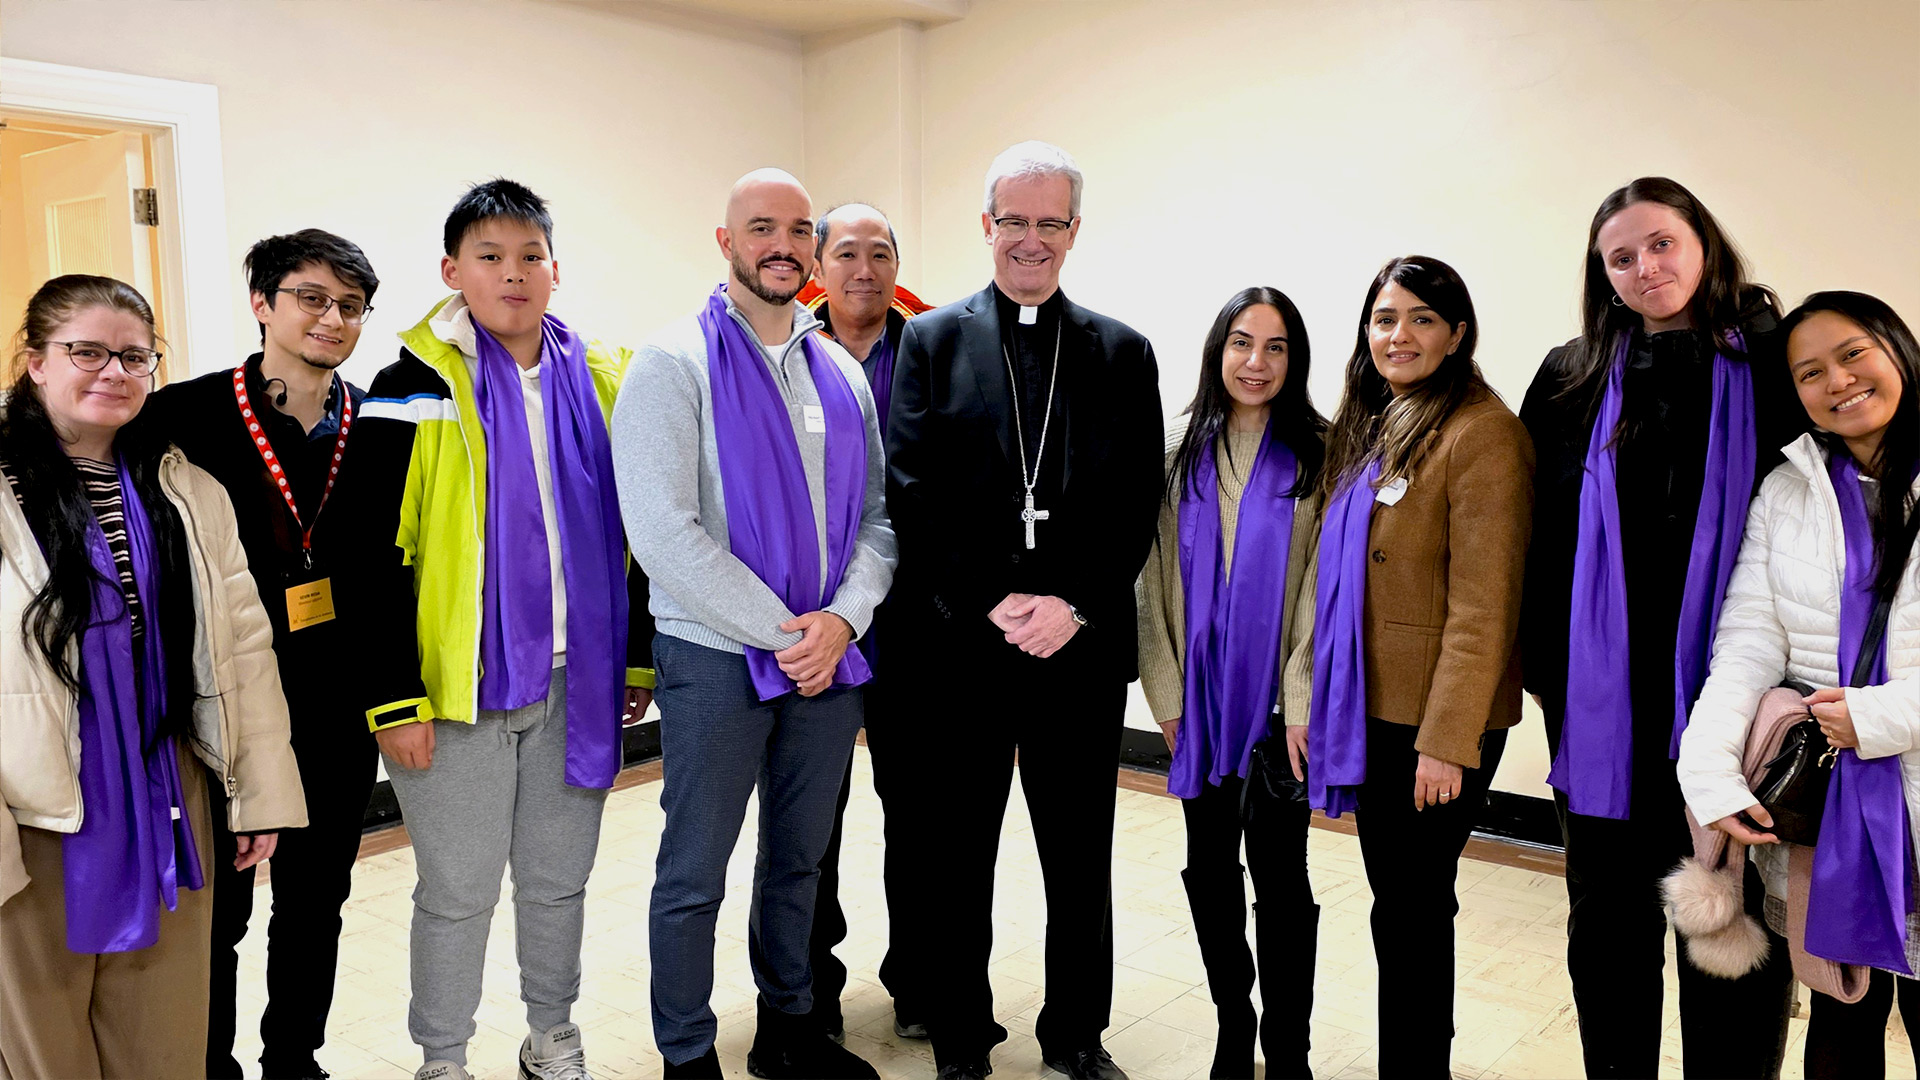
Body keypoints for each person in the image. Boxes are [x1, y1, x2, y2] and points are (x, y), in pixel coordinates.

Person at [349, 179, 654, 1080]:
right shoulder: (410, 390)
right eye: (489, 256)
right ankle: (443, 1058)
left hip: (577, 681)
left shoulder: (604, 380)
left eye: (530, 256)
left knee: (558, 882)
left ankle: (551, 1034)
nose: (512, 274)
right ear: (454, 271)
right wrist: (392, 700)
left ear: (556, 269)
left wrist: (635, 661)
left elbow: (641, 534)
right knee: (457, 891)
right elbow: (370, 558)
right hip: (456, 692)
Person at [885, 141, 1164, 1080]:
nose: (1031, 239)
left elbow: (1136, 501)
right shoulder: (930, 341)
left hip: (1076, 651)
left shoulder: (1122, 352)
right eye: (1015, 220)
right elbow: (911, 490)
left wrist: (1072, 605)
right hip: (965, 647)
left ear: (1074, 231)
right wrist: (993, 600)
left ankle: (1076, 1035)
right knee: (957, 855)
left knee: (1078, 858)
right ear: (987, 224)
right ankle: (961, 1036)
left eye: (1051, 222)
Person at [1519, 177, 1803, 1078]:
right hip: (1604, 697)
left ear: (1703, 243)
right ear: (1602, 275)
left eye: (1661, 243)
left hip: (1741, 690)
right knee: (1607, 919)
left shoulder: (1775, 362)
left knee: (1735, 919)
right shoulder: (1569, 375)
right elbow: (1533, 536)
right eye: (1621, 257)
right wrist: (1548, 672)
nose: (1645, 267)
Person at [613, 169, 892, 1080]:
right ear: (725, 241)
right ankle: (687, 1054)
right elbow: (662, 532)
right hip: (715, 660)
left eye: (799, 230)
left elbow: (879, 520)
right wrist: (791, 634)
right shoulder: (671, 363)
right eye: (761, 227)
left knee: (799, 863)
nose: (783, 245)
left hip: (827, 661)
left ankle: (789, 1030)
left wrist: (842, 621)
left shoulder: (840, 372)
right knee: (695, 873)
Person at [0, 274, 307, 1078]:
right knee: (43, 1054)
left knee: (164, 1045)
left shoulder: (187, 490)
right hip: (33, 810)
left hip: (171, 790)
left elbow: (244, 650)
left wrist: (259, 794)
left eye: (135, 357)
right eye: (87, 352)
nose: (115, 371)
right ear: (35, 361)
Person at [147, 228, 382, 1080]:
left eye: (350, 305)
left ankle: (294, 1059)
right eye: (311, 298)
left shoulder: (378, 421)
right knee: (221, 912)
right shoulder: (181, 415)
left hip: (336, 702)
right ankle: (210, 1064)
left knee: (318, 900)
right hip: (225, 698)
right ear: (262, 304)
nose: (332, 318)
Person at [1679, 291, 1920, 1080]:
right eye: (1810, 372)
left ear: (1897, 348)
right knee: (1840, 1018)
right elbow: (1748, 643)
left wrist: (1881, 715)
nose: (1838, 382)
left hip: (1912, 790)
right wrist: (1708, 770)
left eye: (1853, 354)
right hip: (1830, 812)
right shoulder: (1787, 491)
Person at [1306, 255, 1532, 1078]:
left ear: (1457, 334)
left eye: (1421, 319)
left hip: (1435, 724)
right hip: (1370, 704)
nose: (1398, 336)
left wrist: (1446, 741)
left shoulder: (1483, 434)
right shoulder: (1377, 420)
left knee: (1413, 908)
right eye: (1384, 318)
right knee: (1398, 905)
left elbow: (1485, 607)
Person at [1135, 286, 1324, 1079]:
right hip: (1198, 707)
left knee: (1283, 881)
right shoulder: (1175, 453)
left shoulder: (1323, 453)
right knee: (1210, 870)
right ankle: (1232, 1020)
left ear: (1294, 360)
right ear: (1219, 350)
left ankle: (1288, 1047)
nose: (1257, 362)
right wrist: (1167, 696)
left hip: (1282, 713)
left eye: (1276, 347)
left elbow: (1323, 588)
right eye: (1243, 342)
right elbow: (1148, 582)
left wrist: (1300, 700)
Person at [795, 201, 934, 1043]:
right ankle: (810, 987)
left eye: (880, 253)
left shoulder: (934, 349)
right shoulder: (787, 351)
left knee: (919, 816)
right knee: (812, 819)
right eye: (846, 253)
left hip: (914, 624)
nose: (864, 269)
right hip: (816, 622)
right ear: (819, 265)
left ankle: (919, 980)